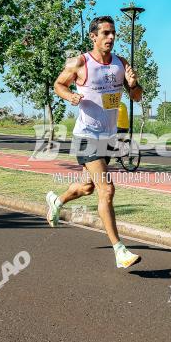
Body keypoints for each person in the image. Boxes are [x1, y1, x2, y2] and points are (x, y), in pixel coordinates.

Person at [45, 15, 143, 269]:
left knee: (88, 188)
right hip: (86, 136)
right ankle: (120, 251)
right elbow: (58, 84)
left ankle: (57, 201)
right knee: (106, 190)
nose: (111, 38)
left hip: (107, 137)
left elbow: (137, 97)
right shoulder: (79, 61)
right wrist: (70, 96)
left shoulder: (121, 63)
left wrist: (134, 85)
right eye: (106, 33)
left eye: (113, 34)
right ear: (93, 37)